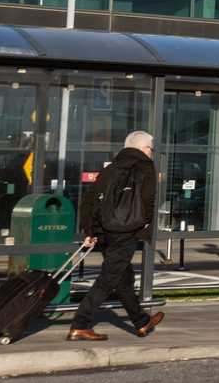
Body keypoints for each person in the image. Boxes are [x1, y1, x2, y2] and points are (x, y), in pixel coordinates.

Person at [68, 131, 164, 342]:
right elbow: (149, 200)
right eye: (151, 149)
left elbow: (91, 201)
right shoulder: (144, 166)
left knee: (123, 279)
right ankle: (79, 325)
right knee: (107, 280)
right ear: (143, 148)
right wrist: (144, 225)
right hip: (126, 232)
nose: (151, 153)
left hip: (106, 232)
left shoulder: (111, 168)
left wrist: (91, 231)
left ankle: (141, 322)